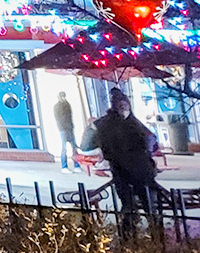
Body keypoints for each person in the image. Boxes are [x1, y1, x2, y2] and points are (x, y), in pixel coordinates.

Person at [92, 87, 160, 232]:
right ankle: (152, 233)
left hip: (126, 171)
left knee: (131, 205)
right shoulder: (125, 123)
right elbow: (147, 141)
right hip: (136, 171)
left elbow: (148, 140)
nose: (124, 108)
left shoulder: (109, 124)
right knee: (144, 204)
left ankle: (132, 233)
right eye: (122, 106)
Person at [53, 91, 78, 170]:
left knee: (74, 147)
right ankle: (64, 166)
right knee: (64, 148)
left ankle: (77, 165)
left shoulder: (67, 104)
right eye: (62, 96)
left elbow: (70, 116)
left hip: (69, 128)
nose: (63, 98)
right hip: (63, 129)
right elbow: (58, 119)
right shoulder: (57, 106)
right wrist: (61, 128)